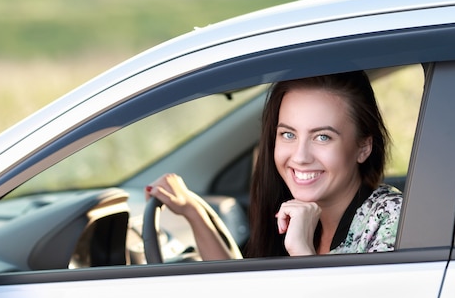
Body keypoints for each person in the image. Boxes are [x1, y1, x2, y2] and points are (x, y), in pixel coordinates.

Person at [145, 71, 402, 260]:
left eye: (322, 137)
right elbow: (243, 294)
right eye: (288, 134)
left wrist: (302, 251)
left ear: (363, 147)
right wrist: (193, 211)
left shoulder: (392, 219)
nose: (300, 156)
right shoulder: (297, 212)